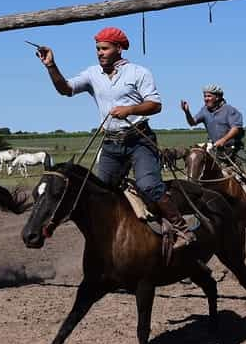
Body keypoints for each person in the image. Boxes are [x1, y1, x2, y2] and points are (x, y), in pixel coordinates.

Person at [35, 26, 194, 246]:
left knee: (149, 185)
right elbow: (66, 89)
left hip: (139, 140)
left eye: (104, 48)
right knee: (100, 193)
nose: (99, 52)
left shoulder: (139, 72)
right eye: (98, 49)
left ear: (118, 48)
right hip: (111, 143)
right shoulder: (92, 74)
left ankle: (182, 229)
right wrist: (51, 65)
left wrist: (129, 110)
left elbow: (155, 105)